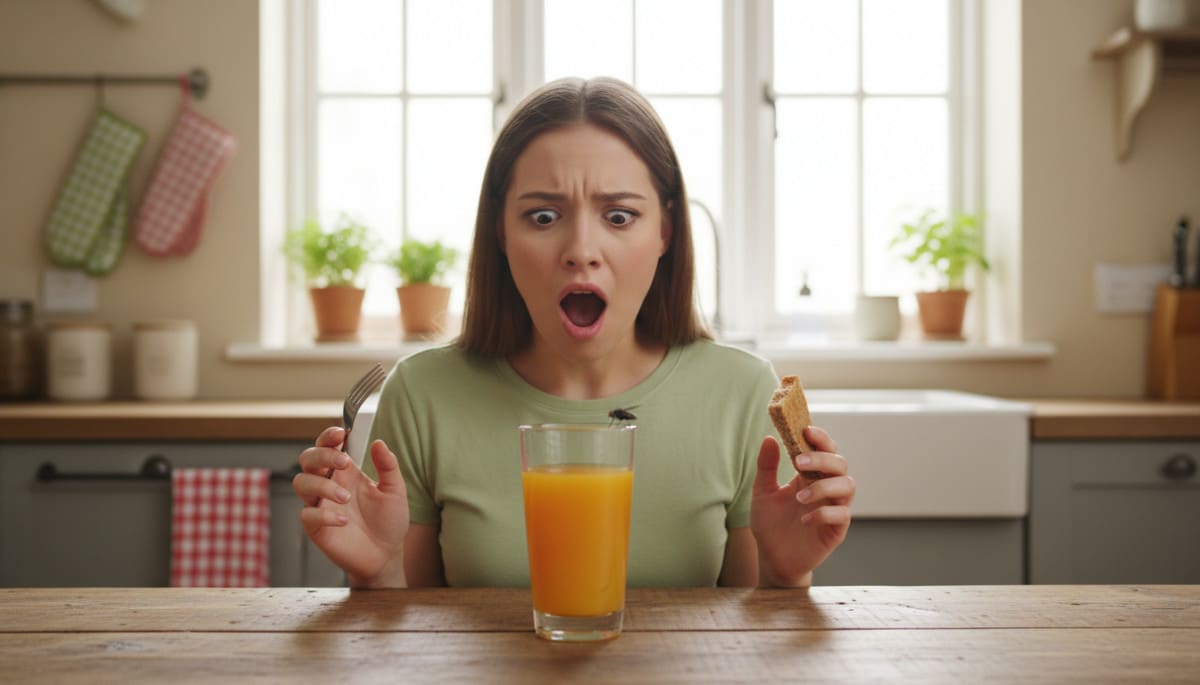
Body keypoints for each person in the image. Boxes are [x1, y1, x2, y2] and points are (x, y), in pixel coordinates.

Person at [292, 77, 855, 589]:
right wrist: (378, 571)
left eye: (618, 217)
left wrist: (786, 574)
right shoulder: (423, 394)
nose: (581, 252)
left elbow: (744, 650)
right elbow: (408, 646)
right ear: (500, 233)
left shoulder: (742, 393)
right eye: (542, 216)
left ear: (666, 230)